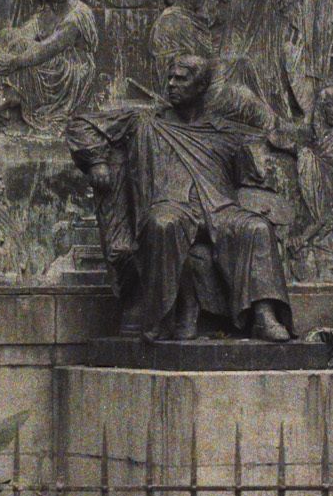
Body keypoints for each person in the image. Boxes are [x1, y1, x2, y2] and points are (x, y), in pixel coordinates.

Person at [66, 54, 294, 343]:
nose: (171, 84)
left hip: (219, 210)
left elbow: (253, 166)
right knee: (163, 224)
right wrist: (97, 160)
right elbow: (81, 125)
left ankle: (263, 316)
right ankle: (164, 320)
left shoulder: (220, 131)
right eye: (170, 78)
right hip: (170, 205)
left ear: (201, 87)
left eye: (181, 79)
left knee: (257, 228)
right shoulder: (144, 121)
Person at [0, 0, 99, 130]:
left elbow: (47, 50)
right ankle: (7, 95)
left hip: (72, 68)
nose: (46, 0)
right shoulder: (52, 7)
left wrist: (14, 61)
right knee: (9, 36)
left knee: (23, 51)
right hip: (49, 55)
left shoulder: (77, 16)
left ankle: (14, 97)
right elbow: (26, 31)